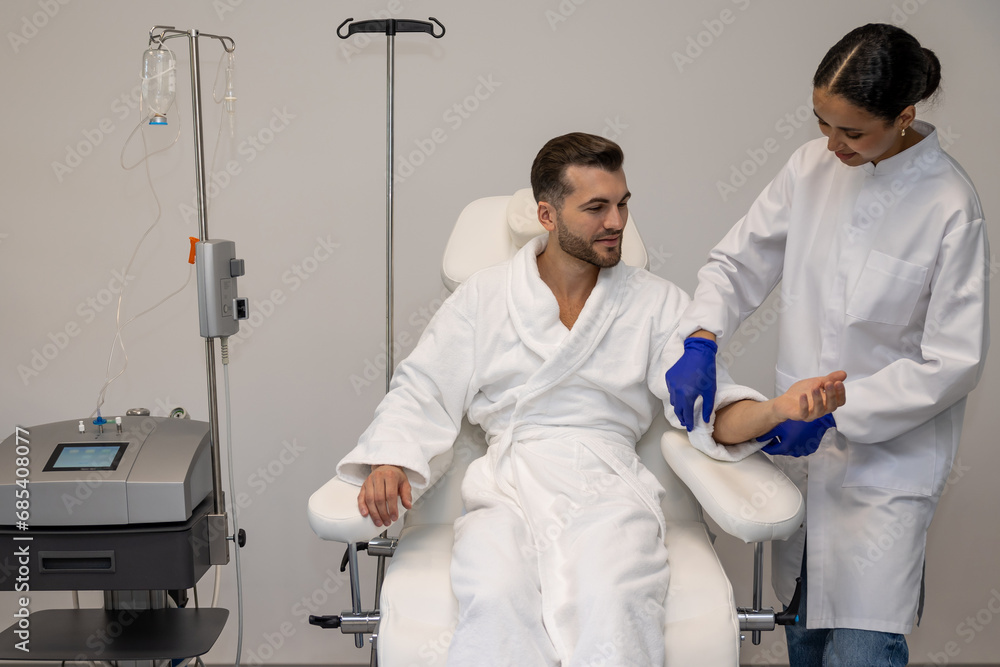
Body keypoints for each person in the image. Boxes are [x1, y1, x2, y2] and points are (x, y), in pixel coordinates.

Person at [337, 132, 846, 666]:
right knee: (494, 594)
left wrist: (776, 411)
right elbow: (421, 388)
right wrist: (391, 458)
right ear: (547, 215)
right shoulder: (482, 298)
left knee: (615, 597)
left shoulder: (656, 303)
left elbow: (709, 413)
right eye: (596, 207)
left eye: (623, 204)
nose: (616, 221)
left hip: (610, 489)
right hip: (508, 490)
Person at [665, 24, 989, 667]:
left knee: (864, 646)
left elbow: (952, 362)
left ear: (903, 117)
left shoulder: (950, 205)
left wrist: (837, 412)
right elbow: (737, 264)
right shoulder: (809, 168)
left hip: (885, 468)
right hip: (802, 457)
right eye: (822, 123)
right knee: (805, 634)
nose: (833, 144)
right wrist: (701, 337)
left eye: (852, 132)